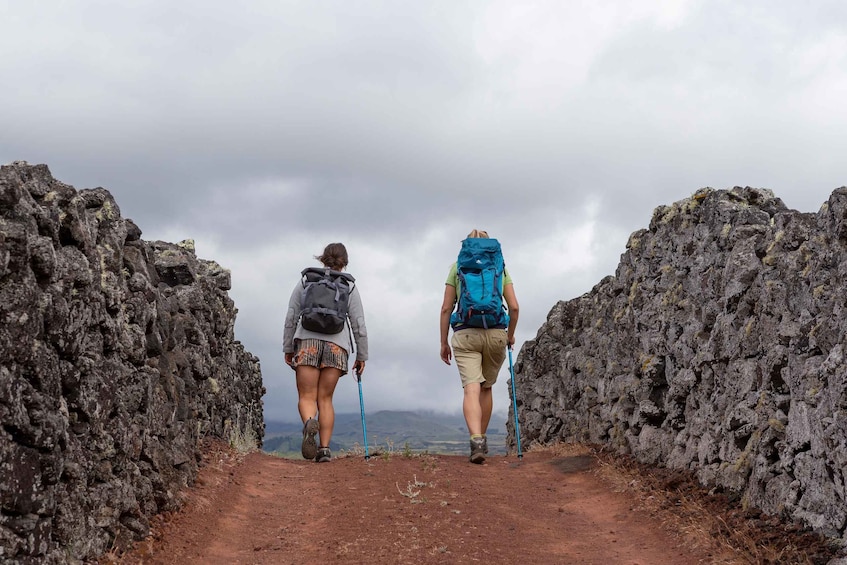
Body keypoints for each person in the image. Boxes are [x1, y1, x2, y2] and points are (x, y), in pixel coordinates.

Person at [440, 229, 519, 464]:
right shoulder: (500, 267)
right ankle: (483, 437)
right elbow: (514, 307)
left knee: (471, 388)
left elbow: (446, 308)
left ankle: (476, 441)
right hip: (496, 334)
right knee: (486, 387)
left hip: (466, 334)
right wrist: (510, 336)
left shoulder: (457, 267)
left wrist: (443, 341)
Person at [284, 242, 368, 463]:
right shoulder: (348, 285)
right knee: (326, 399)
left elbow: (292, 314)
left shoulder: (307, 280)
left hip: (307, 342)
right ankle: (324, 449)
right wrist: (362, 355)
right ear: (345, 261)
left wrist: (287, 347)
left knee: (306, 396)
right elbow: (359, 324)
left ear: (322, 258)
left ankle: (310, 423)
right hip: (336, 346)